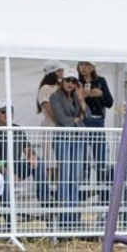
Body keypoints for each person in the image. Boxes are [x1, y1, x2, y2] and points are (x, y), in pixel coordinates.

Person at [46, 69, 87, 219]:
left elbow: (86, 115)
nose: (70, 83)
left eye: (73, 81)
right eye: (67, 80)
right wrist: (76, 119)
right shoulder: (55, 97)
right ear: (62, 81)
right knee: (65, 176)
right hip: (63, 138)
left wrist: (81, 98)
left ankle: (74, 216)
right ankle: (65, 217)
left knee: (75, 177)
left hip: (78, 138)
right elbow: (62, 120)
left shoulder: (76, 96)